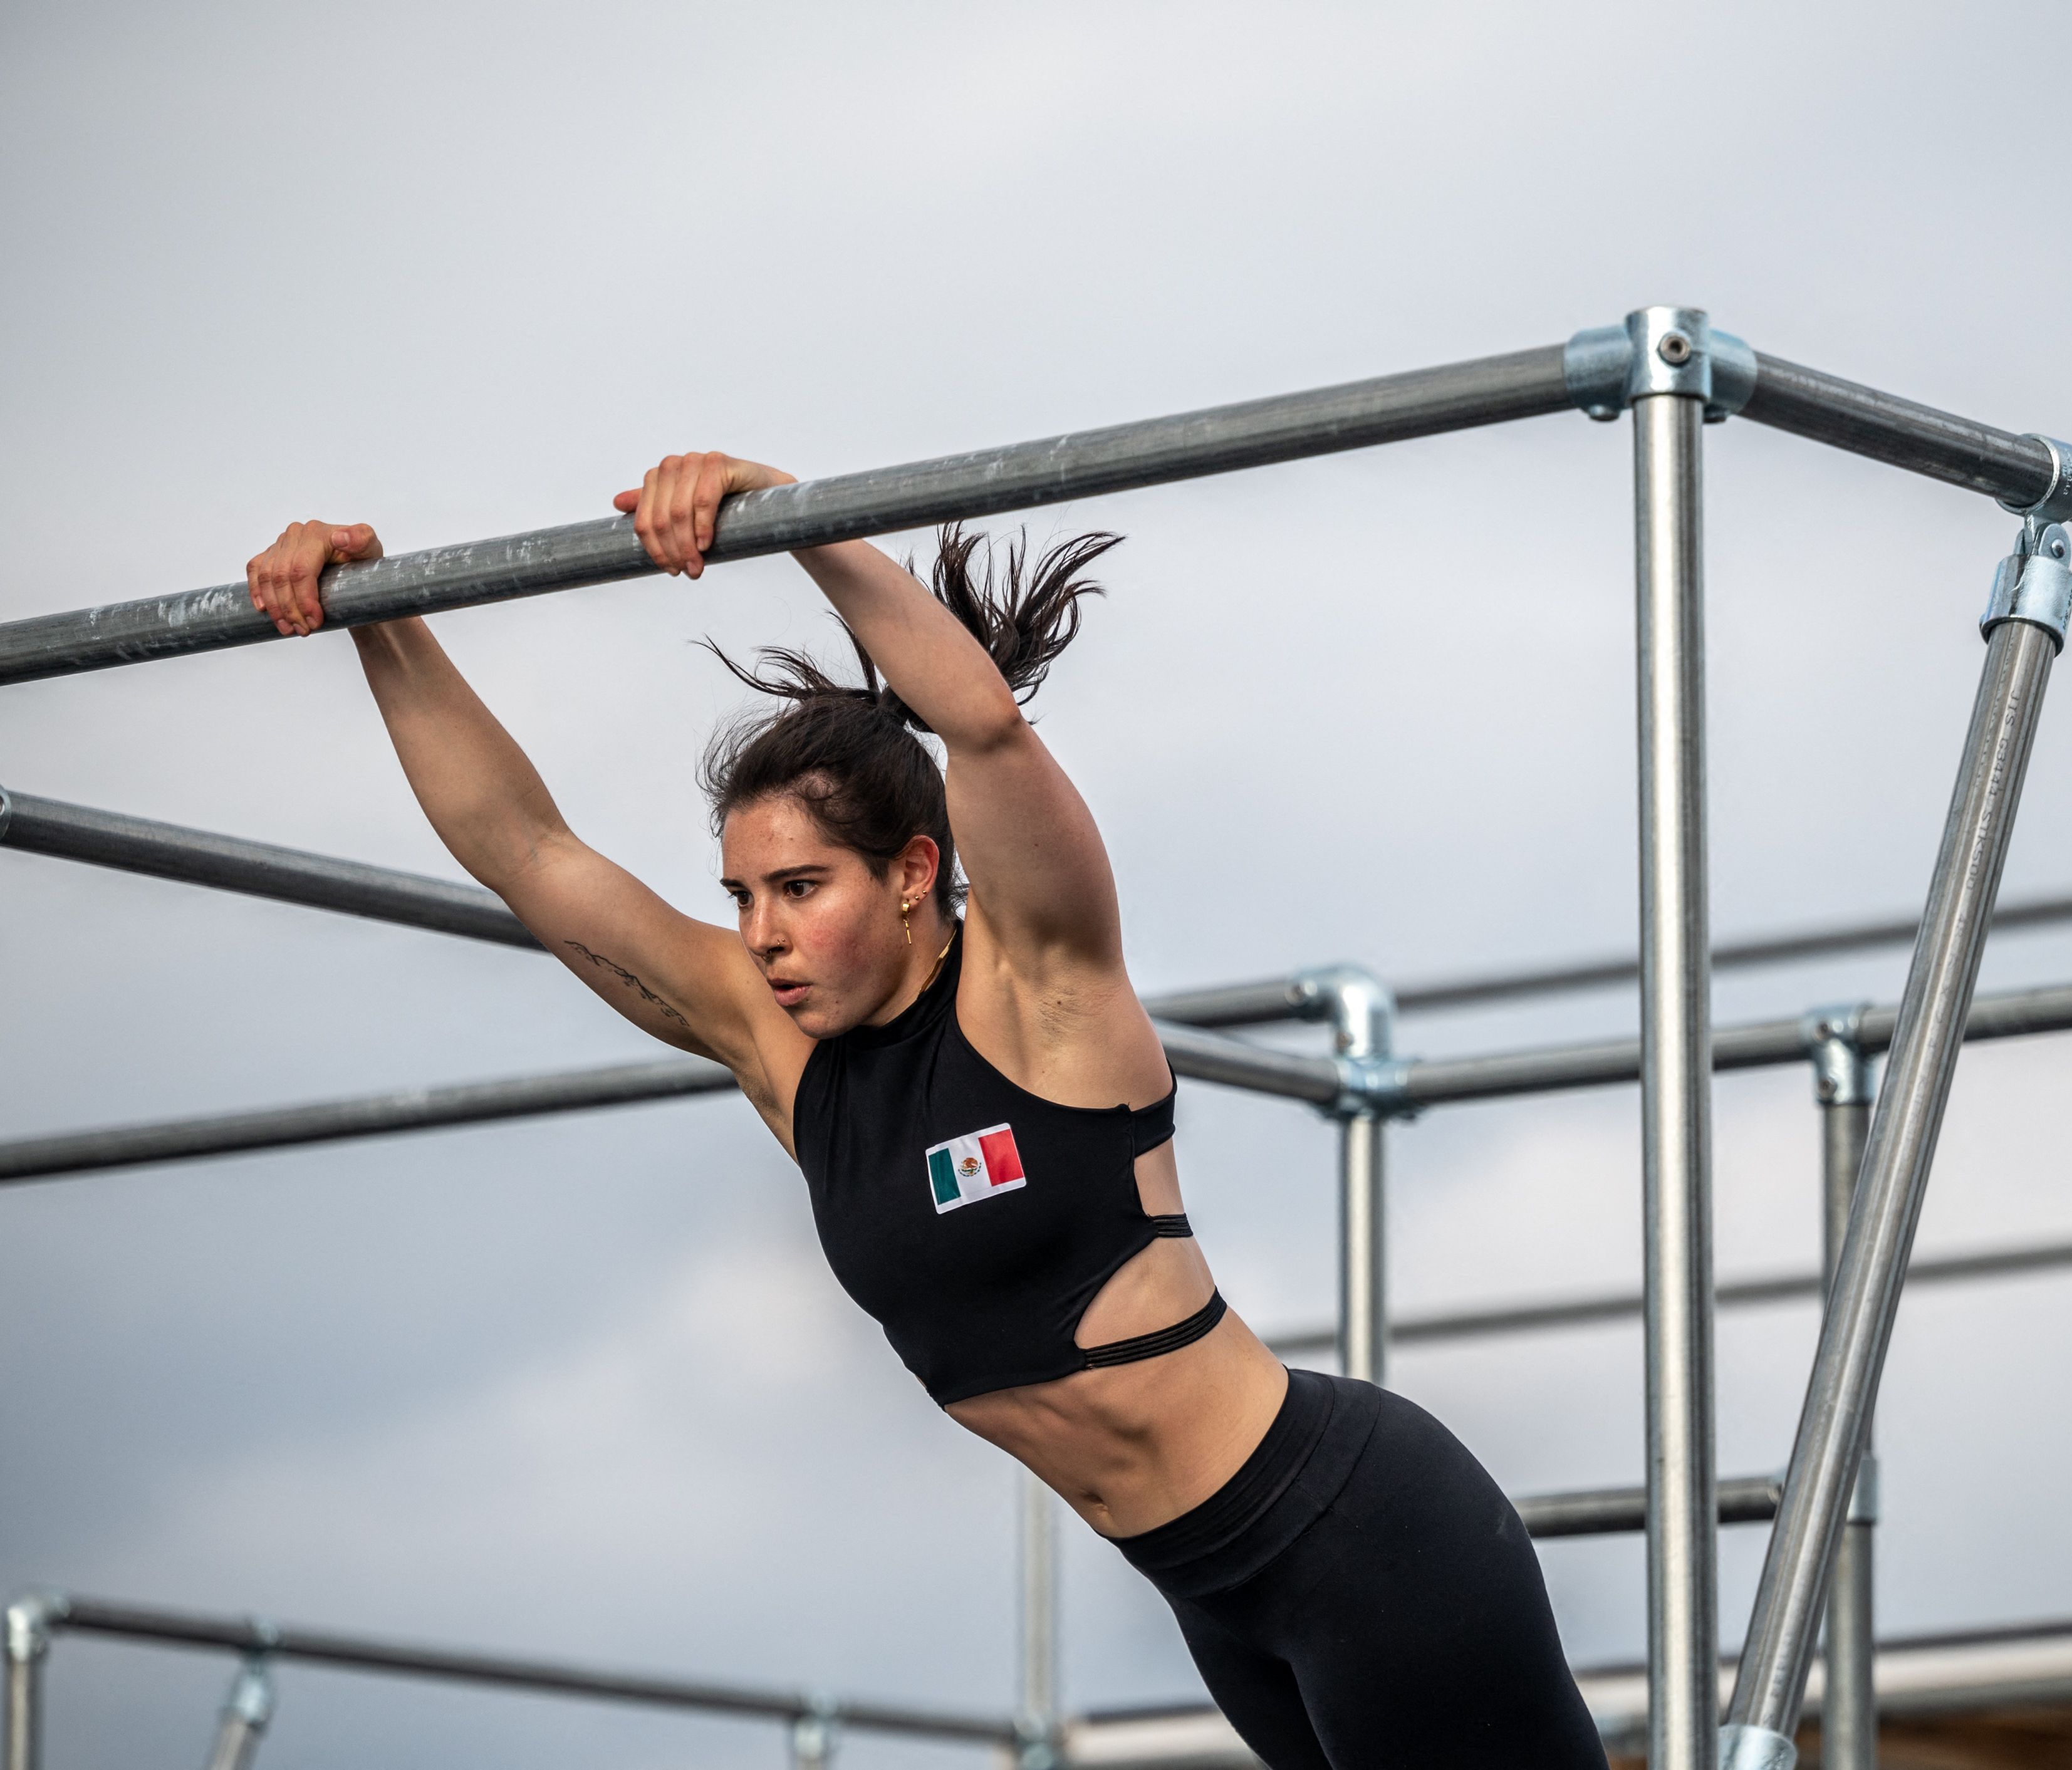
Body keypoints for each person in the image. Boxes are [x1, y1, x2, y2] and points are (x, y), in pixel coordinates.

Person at [242, 453, 1610, 1770]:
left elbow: (980, 724)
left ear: (909, 874)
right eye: (741, 898)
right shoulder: (788, 1063)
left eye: (799, 888)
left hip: (1351, 1532)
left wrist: (788, 511)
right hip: (1212, 1591)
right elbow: (522, 849)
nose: (761, 934)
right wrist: (379, 617)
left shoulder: (1042, 1000)